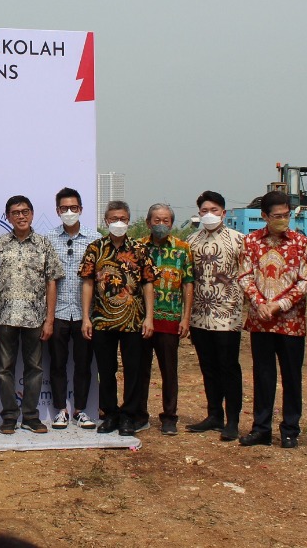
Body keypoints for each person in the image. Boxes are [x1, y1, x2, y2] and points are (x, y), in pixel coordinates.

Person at [238, 189, 307, 448]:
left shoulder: (301, 243)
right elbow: (245, 276)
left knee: (292, 377)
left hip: (291, 323)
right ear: (264, 216)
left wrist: (280, 304)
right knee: (263, 376)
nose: (283, 219)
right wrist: (259, 303)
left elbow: (306, 280)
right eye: (277, 215)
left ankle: (290, 429)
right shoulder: (250, 242)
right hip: (260, 322)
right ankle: (261, 428)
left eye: (287, 215)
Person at [79, 201, 155, 436]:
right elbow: (88, 283)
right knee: (106, 369)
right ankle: (110, 413)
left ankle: (128, 416)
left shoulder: (140, 249)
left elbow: (148, 284)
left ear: (129, 220)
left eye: (122, 218)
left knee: (133, 369)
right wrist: (86, 318)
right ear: (106, 221)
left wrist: (149, 318)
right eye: (113, 219)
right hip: (102, 320)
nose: (118, 223)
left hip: (133, 321)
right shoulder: (95, 248)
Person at [0, 196, 64, 435]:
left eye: (25, 212)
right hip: (5, 316)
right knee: (5, 368)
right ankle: (9, 416)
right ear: (8, 216)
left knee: (34, 368)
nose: (20, 216)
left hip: (35, 317)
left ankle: (31, 417)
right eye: (15, 212)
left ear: (32, 214)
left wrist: (50, 319)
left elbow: (51, 282)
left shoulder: (44, 244)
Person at [186, 191, 247, 441]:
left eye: (213, 210)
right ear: (198, 213)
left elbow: (247, 276)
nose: (208, 215)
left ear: (223, 212)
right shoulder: (191, 241)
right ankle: (214, 415)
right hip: (199, 315)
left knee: (229, 368)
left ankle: (232, 420)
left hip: (227, 314)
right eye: (204, 211)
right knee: (208, 367)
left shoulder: (239, 240)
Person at [132, 203, 194, 435]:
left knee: (169, 370)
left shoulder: (182, 249)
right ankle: (139, 414)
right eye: (156, 220)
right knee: (140, 370)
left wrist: (185, 318)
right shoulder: (137, 248)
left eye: (166, 220)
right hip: (140, 320)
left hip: (170, 318)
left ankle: (170, 416)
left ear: (172, 223)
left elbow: (188, 284)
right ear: (148, 223)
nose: (161, 225)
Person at [44, 187, 100, 430]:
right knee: (57, 364)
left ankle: (80, 410)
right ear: (57, 211)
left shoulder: (94, 238)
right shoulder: (47, 239)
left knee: (83, 364)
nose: (69, 212)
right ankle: (60, 410)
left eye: (73, 208)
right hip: (57, 313)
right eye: (64, 208)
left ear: (81, 209)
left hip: (84, 314)